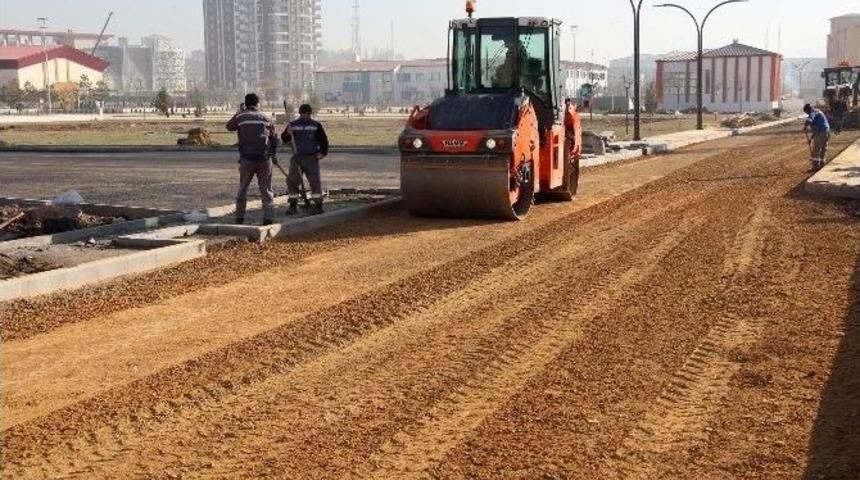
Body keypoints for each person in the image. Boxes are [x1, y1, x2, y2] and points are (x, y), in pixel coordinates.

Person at [226, 93, 279, 225]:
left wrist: (239, 111)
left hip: (247, 158)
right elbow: (274, 139)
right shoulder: (266, 117)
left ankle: (239, 218)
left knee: (243, 188)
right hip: (264, 159)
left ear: (246, 103)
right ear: (257, 103)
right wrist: (273, 154)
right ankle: (268, 219)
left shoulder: (241, 117)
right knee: (266, 190)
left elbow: (229, 126)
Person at [282, 104, 329, 215]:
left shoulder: (315, 125)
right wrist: (287, 133)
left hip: (311, 158)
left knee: (315, 182)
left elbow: (324, 141)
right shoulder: (293, 125)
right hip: (297, 157)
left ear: (310, 113)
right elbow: (284, 138)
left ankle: (318, 205)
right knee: (292, 182)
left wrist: (322, 153)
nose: (306, 116)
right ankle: (292, 205)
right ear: (300, 113)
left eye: (308, 114)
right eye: (304, 114)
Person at [803, 103, 831, 172]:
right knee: (823, 149)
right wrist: (811, 139)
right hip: (827, 132)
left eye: (806, 113)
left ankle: (815, 167)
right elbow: (816, 130)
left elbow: (809, 119)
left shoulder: (812, 113)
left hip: (821, 132)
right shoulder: (818, 111)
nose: (807, 114)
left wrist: (805, 126)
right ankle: (822, 164)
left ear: (807, 111)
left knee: (816, 150)